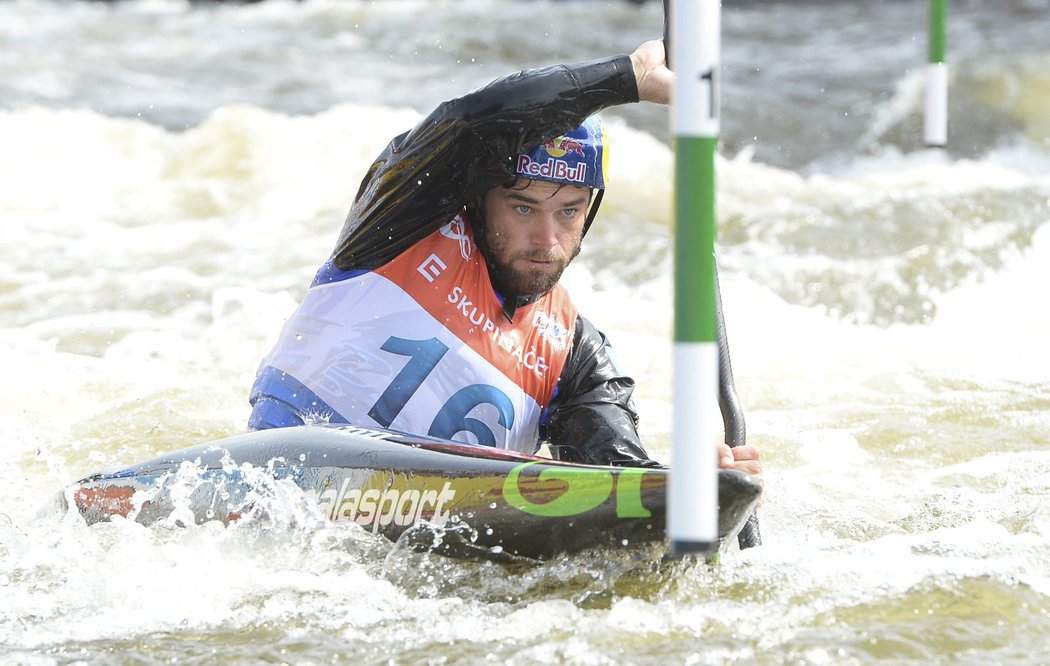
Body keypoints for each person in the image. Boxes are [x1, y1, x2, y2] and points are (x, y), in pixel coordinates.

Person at [248, 40, 761, 481]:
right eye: (523, 206)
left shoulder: (575, 355)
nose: (547, 239)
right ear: (479, 198)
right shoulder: (398, 226)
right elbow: (468, 121)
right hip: (286, 483)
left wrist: (696, 493)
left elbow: (615, 482)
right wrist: (627, 78)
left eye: (569, 211)